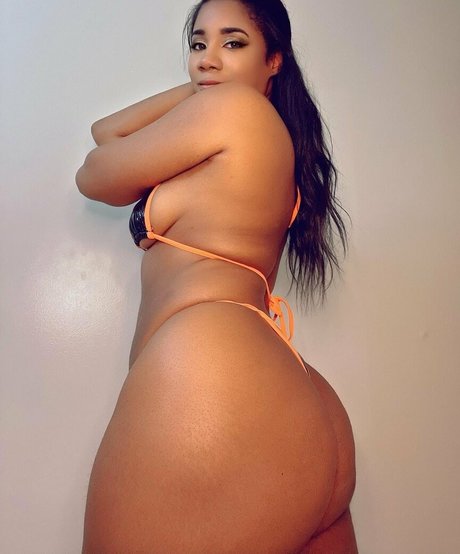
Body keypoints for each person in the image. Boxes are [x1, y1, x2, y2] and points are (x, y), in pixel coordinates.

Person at [76, 0, 357, 552]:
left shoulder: (232, 111)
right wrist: (208, 81)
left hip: (210, 382)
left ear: (275, 59)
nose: (207, 58)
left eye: (233, 43)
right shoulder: (266, 133)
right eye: (198, 44)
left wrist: (212, 88)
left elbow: (95, 173)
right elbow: (104, 130)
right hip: (295, 398)